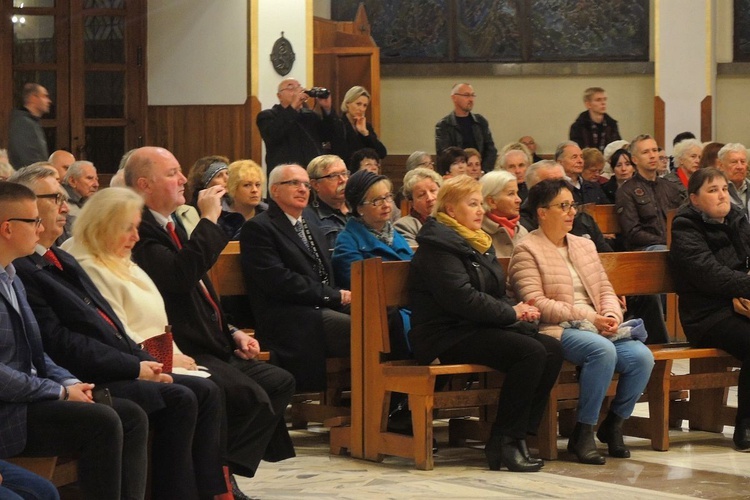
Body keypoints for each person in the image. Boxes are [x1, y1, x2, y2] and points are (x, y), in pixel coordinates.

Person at [11, 167, 229, 499]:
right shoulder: (28, 268)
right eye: (56, 198)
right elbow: (57, 342)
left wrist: (145, 361)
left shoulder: (60, 259)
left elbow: (107, 324)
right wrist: (131, 367)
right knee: (167, 401)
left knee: (201, 391)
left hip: (100, 366)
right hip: (83, 374)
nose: (66, 207)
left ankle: (204, 492)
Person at [124, 146, 297, 481]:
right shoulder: (140, 229)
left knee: (279, 382)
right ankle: (218, 478)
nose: (182, 179)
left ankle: (223, 470)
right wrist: (209, 219)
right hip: (184, 346)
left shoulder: (170, 223)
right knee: (251, 398)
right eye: (172, 173)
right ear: (144, 184)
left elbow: (201, 292)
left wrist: (232, 330)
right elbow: (179, 276)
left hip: (212, 338)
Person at [0, 181, 148, 500]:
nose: (40, 228)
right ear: (7, 228)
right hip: (8, 410)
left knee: (128, 413)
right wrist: (60, 391)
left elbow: (36, 350)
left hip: (27, 397)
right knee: (102, 420)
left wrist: (69, 381)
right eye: (33, 221)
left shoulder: (10, 274)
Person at [408, 175, 563, 472]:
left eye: (481, 203)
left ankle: (519, 435)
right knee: (529, 352)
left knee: (552, 349)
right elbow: (461, 299)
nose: (480, 210)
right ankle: (503, 440)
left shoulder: (476, 241)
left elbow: (490, 293)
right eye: (472, 204)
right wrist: (511, 314)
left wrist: (516, 309)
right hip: (445, 334)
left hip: (474, 327)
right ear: (451, 210)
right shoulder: (438, 246)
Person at [509, 179, 654, 465]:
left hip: (596, 325)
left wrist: (612, 315)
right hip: (555, 329)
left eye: (572, 205)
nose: (570, 212)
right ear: (541, 212)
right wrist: (591, 317)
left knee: (641, 357)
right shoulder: (527, 249)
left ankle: (613, 424)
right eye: (562, 206)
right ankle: (583, 431)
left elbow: (604, 288)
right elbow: (535, 302)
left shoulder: (583, 245)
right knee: (602, 351)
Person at [240, 164, 351, 392]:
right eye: (293, 183)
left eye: (305, 184)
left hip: (320, 304)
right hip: (288, 315)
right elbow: (280, 281)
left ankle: (387, 399)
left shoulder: (310, 223)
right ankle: (363, 402)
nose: (302, 189)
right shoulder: (259, 228)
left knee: (382, 317)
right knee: (359, 329)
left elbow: (323, 271)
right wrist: (333, 295)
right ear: (274, 191)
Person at [669, 167, 750, 451]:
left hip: (740, 307)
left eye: (724, 189)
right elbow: (707, 273)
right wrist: (743, 288)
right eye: (712, 190)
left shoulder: (738, 219)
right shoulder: (685, 226)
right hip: (706, 316)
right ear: (694, 198)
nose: (722, 195)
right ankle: (746, 426)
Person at [332, 169, 412, 289]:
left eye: (388, 197)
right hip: (377, 306)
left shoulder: (394, 234)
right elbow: (365, 289)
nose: (386, 205)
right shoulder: (347, 242)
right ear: (359, 208)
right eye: (377, 201)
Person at [615, 134, 685, 250]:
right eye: (645, 152)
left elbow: (682, 220)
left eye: (655, 150)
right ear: (634, 159)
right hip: (645, 248)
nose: (652, 156)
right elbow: (633, 232)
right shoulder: (626, 191)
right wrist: (666, 241)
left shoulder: (670, 187)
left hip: (673, 245)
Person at [256, 78, 334, 174]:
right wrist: (293, 106)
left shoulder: (310, 115)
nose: (298, 91)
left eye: (299, 87)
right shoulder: (267, 116)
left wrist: (327, 109)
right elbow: (273, 135)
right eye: (291, 88)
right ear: (279, 96)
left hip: (312, 174)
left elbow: (330, 136)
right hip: (285, 176)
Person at [435, 83, 497, 173]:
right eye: (467, 95)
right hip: (457, 175)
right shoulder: (444, 125)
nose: (471, 99)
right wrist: (463, 169)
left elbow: (490, 149)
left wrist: (482, 171)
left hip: (480, 173)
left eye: (473, 95)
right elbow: (445, 156)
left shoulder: (480, 122)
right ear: (454, 98)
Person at [330, 86, 386, 172]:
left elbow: (382, 153)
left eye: (365, 105)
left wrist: (365, 133)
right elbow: (341, 155)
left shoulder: (366, 126)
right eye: (358, 104)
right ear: (347, 103)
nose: (361, 109)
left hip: (366, 173)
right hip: (347, 172)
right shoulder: (338, 124)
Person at [306, 155, 351, 251]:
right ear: (315, 184)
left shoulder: (360, 209)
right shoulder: (307, 218)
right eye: (333, 176)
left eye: (344, 173)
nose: (343, 180)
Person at [480, 170, 528, 257]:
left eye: (517, 193)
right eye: (511, 194)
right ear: (492, 202)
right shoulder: (477, 234)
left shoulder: (522, 231)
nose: (519, 200)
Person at [393, 167, 442, 246]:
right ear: (412, 202)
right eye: (421, 194)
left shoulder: (453, 218)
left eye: (433, 190)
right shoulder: (404, 226)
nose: (430, 198)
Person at [8, 83, 51, 168]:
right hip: (30, 178)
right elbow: (29, 159)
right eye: (44, 96)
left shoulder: (31, 122)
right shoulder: (23, 123)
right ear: (33, 98)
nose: (49, 101)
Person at [223, 159, 268, 239]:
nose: (254, 190)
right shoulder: (220, 218)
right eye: (247, 185)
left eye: (257, 185)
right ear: (232, 188)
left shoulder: (270, 216)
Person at [569, 87, 621, 152]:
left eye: (604, 99)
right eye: (598, 100)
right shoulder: (578, 127)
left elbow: (617, 148)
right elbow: (576, 150)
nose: (603, 103)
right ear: (588, 104)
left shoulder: (612, 125)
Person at [717, 143, 750, 218]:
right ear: (721, 165)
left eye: (743, 162)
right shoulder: (715, 191)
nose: (740, 167)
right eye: (734, 162)